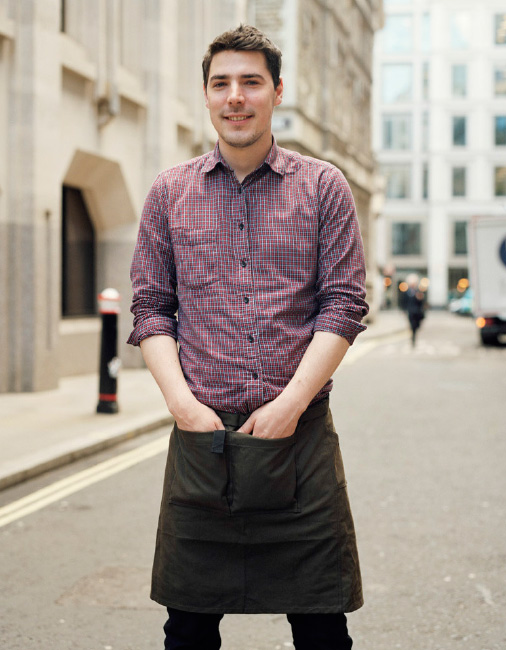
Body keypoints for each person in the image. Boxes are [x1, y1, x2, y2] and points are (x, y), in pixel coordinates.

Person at [128, 24, 369, 650]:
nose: (236, 96)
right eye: (221, 83)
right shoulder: (168, 193)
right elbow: (152, 308)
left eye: (251, 82)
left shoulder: (324, 187)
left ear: (276, 92)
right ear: (206, 96)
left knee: (321, 626)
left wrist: (289, 405)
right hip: (199, 439)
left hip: (301, 437)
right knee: (187, 628)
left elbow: (343, 307)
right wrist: (183, 406)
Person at [404, 273, 426, 346]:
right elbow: (404, 301)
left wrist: (420, 298)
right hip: (411, 312)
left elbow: (422, 303)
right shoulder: (407, 292)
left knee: (417, 326)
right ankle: (413, 338)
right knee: (412, 326)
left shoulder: (419, 291)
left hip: (418, 312)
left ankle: (414, 335)